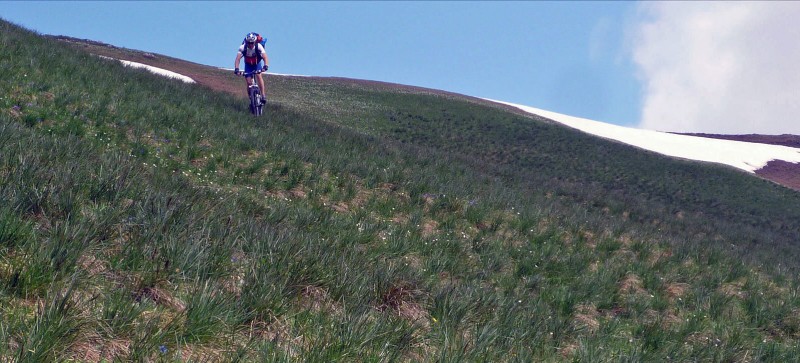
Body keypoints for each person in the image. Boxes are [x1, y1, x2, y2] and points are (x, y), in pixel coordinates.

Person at [234, 32, 269, 104]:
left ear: (254, 42)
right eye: (248, 43)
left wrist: (265, 66)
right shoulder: (242, 47)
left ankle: (263, 95)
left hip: (257, 63)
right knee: (249, 82)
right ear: (246, 42)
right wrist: (236, 69)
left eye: (252, 43)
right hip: (248, 65)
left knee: (259, 76)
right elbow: (237, 59)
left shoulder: (258, 46)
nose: (250, 44)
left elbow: (265, 57)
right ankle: (251, 98)